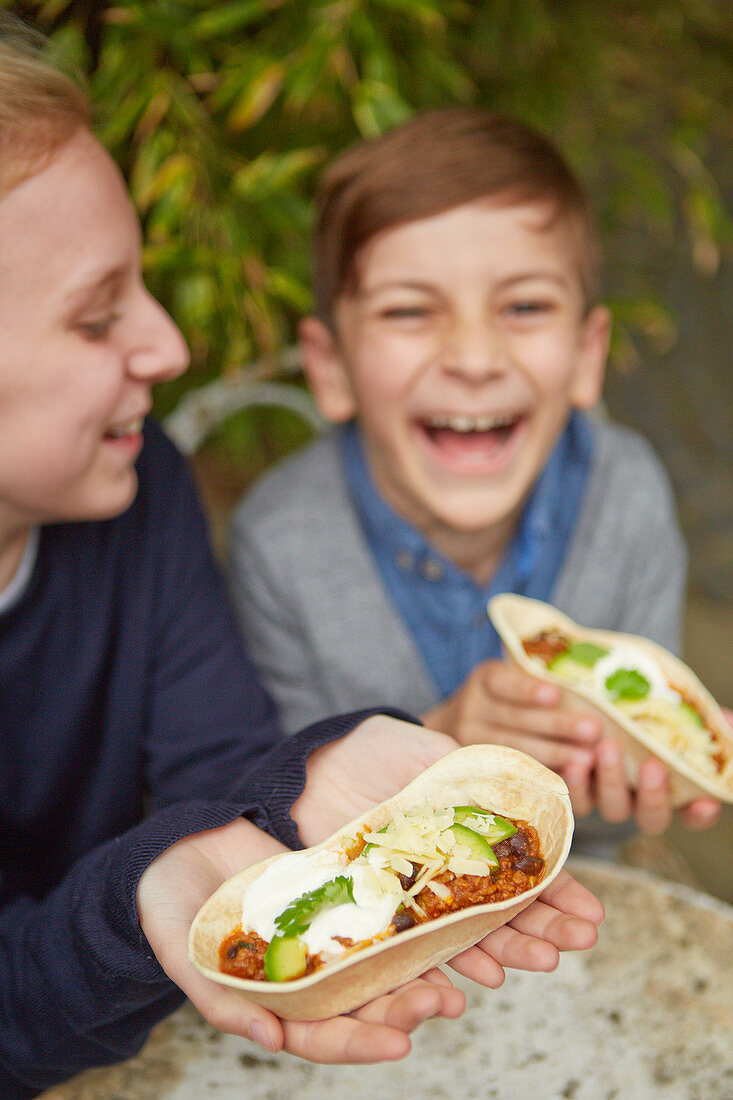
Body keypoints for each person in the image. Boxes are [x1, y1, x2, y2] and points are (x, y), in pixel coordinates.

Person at [0, 20, 605, 1099]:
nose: (171, 347)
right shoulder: (274, 530)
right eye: (96, 319)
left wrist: (304, 776)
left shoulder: (146, 498)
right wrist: (134, 903)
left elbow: (223, 779)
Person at [229, 108, 723, 846]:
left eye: (523, 306)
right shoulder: (280, 544)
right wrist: (437, 740)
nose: (474, 357)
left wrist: (634, 769)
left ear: (588, 356)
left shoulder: (625, 497)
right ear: (330, 369)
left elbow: (625, 775)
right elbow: (264, 818)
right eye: (409, 311)